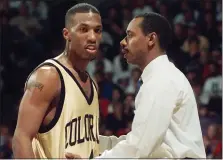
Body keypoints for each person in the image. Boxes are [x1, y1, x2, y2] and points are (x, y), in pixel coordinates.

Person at [97, 12, 206, 158]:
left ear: (151, 39)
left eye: (130, 35)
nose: (123, 42)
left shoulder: (161, 79)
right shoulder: (161, 75)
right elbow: (142, 141)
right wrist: (95, 144)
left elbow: (138, 147)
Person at [12, 3, 102, 158]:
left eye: (97, 30)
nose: (92, 37)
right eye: (84, 29)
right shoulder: (48, 76)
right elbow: (21, 139)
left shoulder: (92, 84)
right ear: (67, 34)